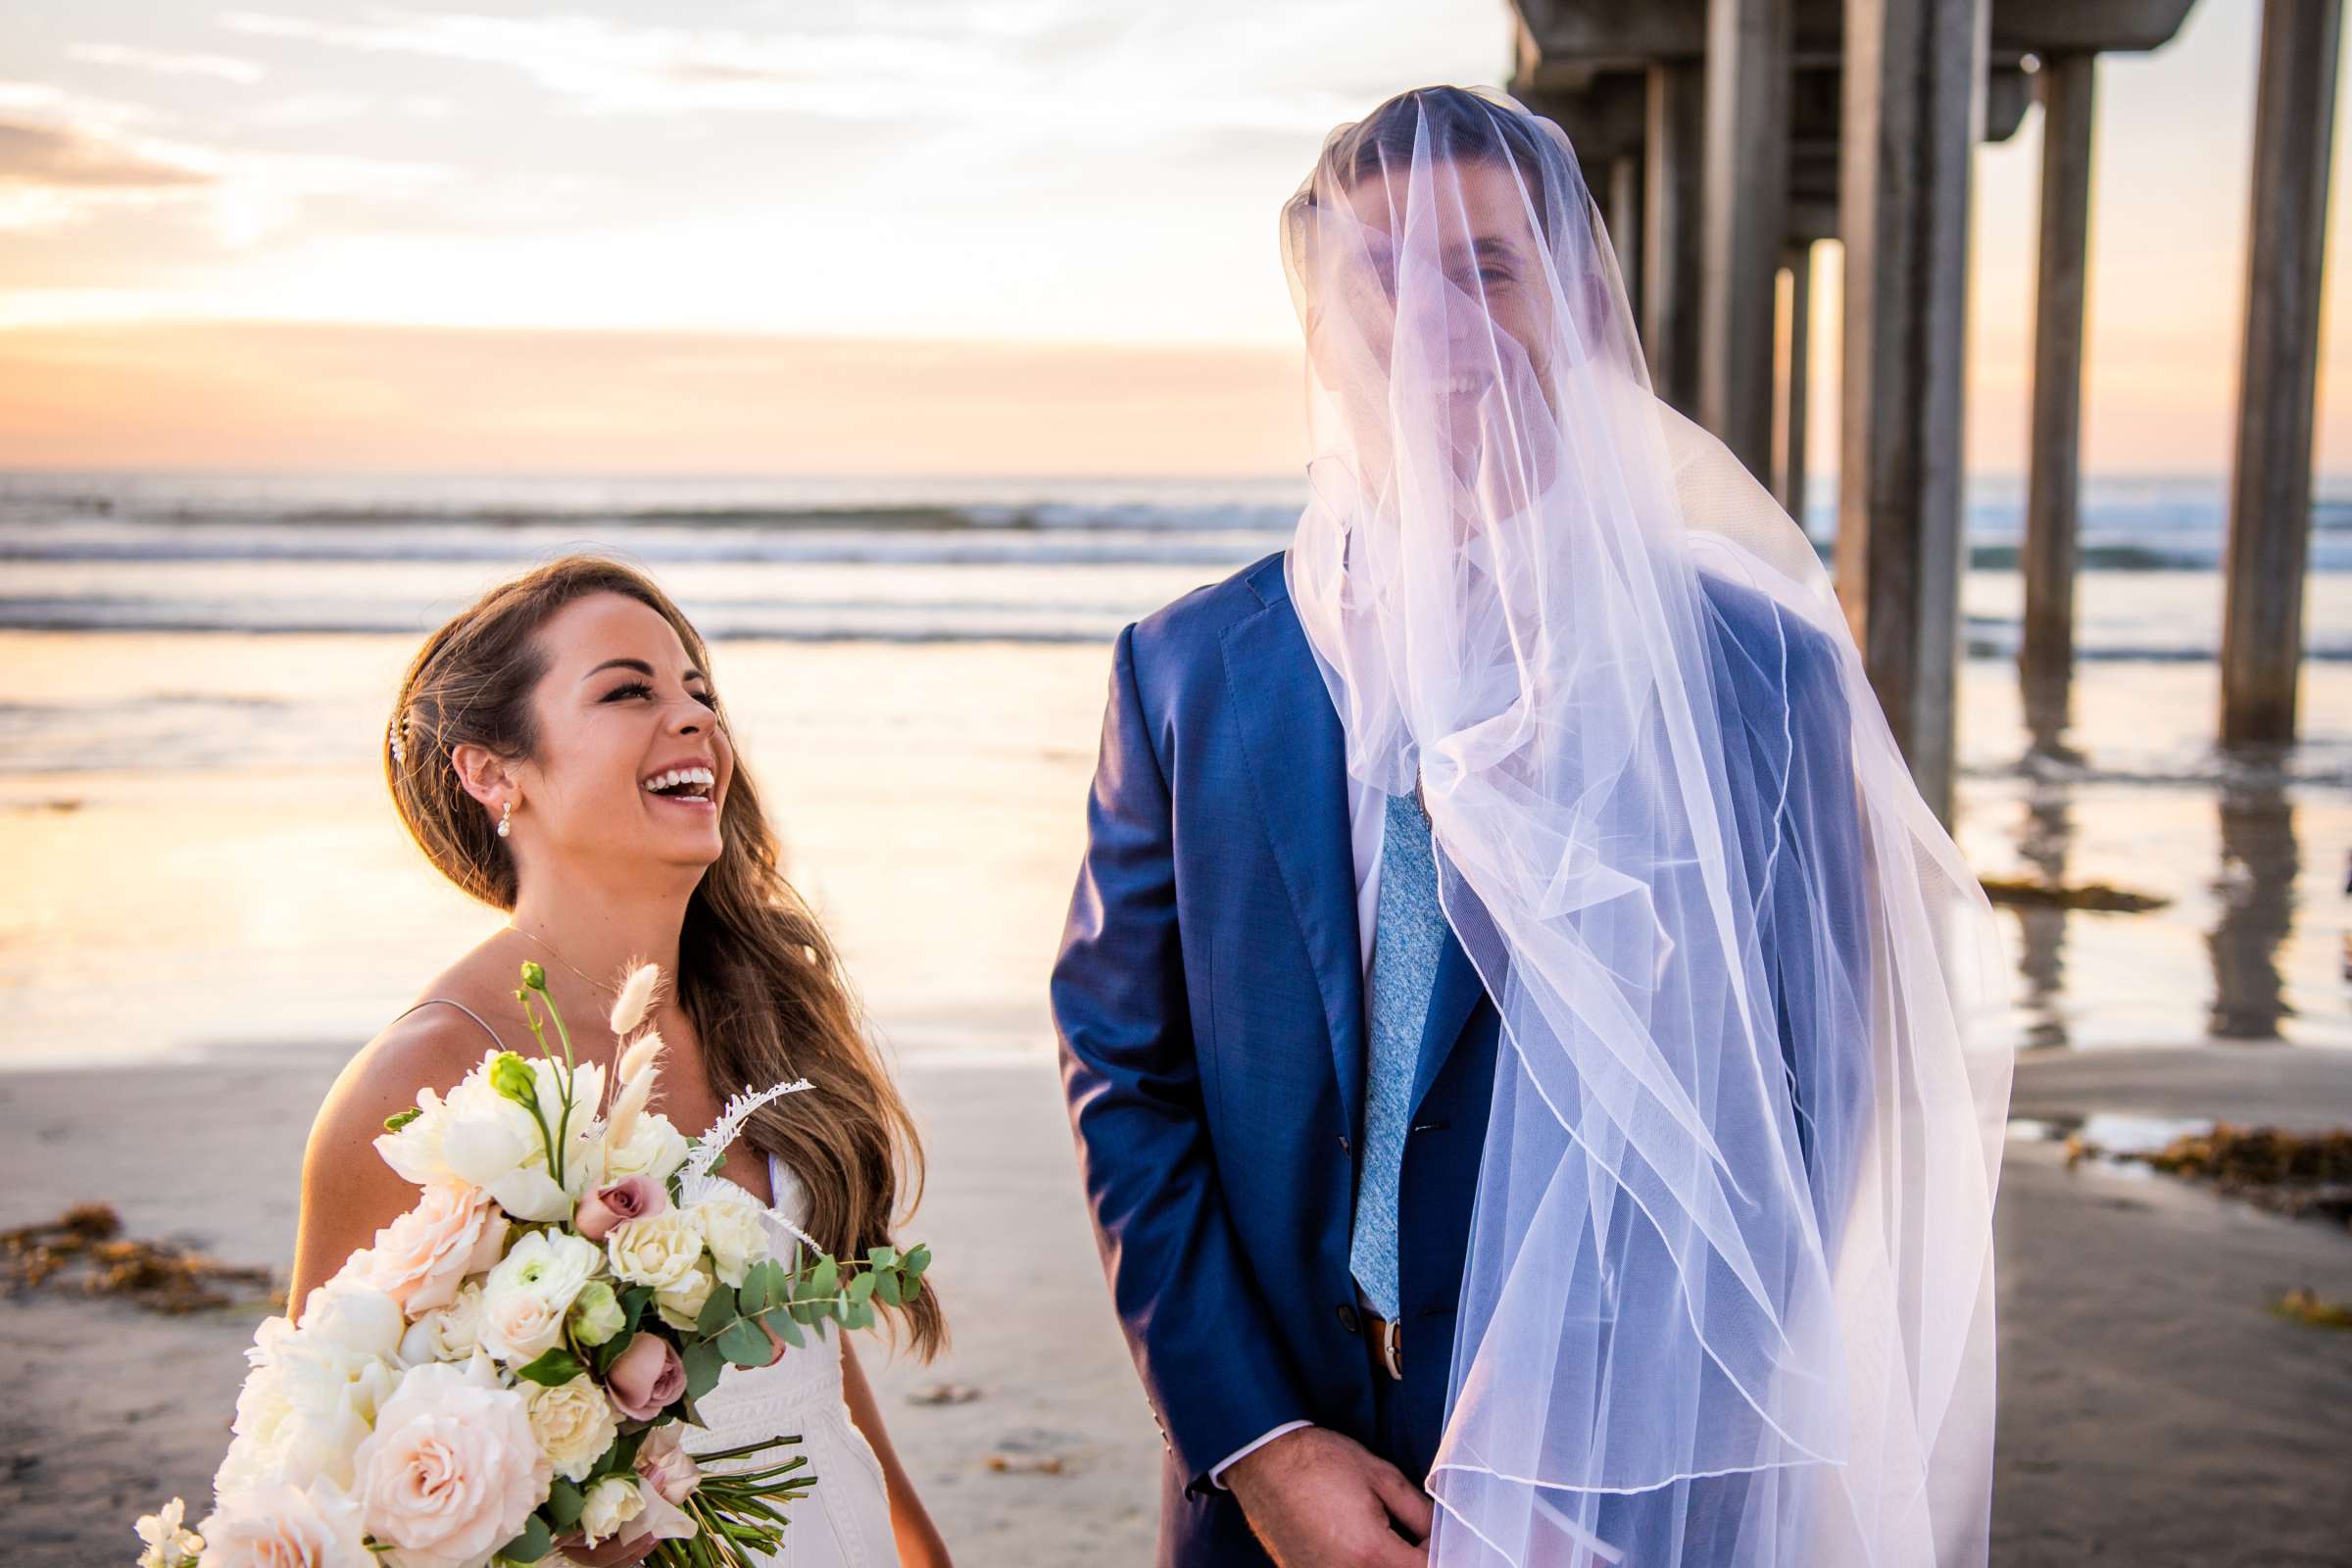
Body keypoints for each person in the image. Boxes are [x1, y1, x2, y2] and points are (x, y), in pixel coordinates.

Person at [1053, 87, 2009, 1568]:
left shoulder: (1759, 679)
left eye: (1486, 267)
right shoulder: (1185, 669)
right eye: (1383, 272)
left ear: (1577, 301)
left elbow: (1815, 1101)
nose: (1432, 320)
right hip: (1275, 1481)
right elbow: (1127, 1073)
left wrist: (1608, 1431)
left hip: (1623, 1486)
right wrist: (1256, 1447)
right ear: (1322, 315)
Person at [292, 555, 951, 1567]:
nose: (694, 720)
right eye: (629, 691)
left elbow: (801, 1319)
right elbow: (326, 1470)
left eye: (699, 692)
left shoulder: (762, 1007)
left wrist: (916, 1540)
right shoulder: (420, 1086)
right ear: (492, 771)